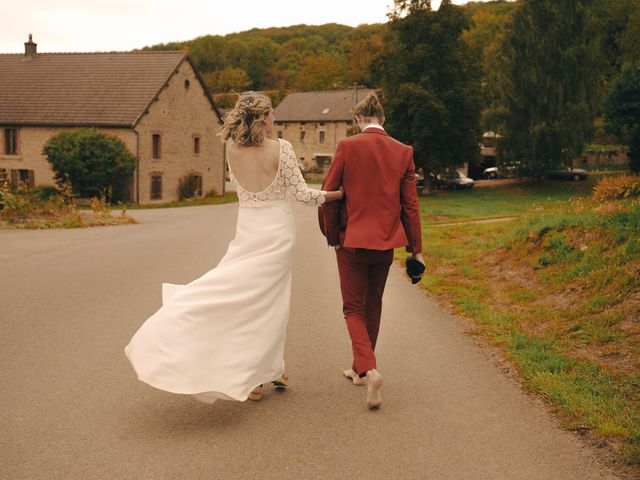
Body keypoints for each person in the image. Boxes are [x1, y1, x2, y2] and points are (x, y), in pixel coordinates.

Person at [125, 93, 343, 403]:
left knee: (242, 296)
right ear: (264, 118)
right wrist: (338, 194)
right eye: (272, 116)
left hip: (248, 229)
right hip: (278, 233)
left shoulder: (231, 150)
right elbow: (304, 196)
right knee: (270, 304)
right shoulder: (282, 148)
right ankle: (257, 376)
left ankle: (270, 370)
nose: (275, 121)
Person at [319, 92, 424, 409]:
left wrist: (333, 235)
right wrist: (415, 250)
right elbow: (410, 206)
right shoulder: (403, 151)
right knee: (373, 303)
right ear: (383, 119)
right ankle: (359, 369)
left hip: (351, 241)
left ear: (356, 120)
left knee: (352, 308)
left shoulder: (347, 147)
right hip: (386, 243)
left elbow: (329, 194)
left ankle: (368, 368)